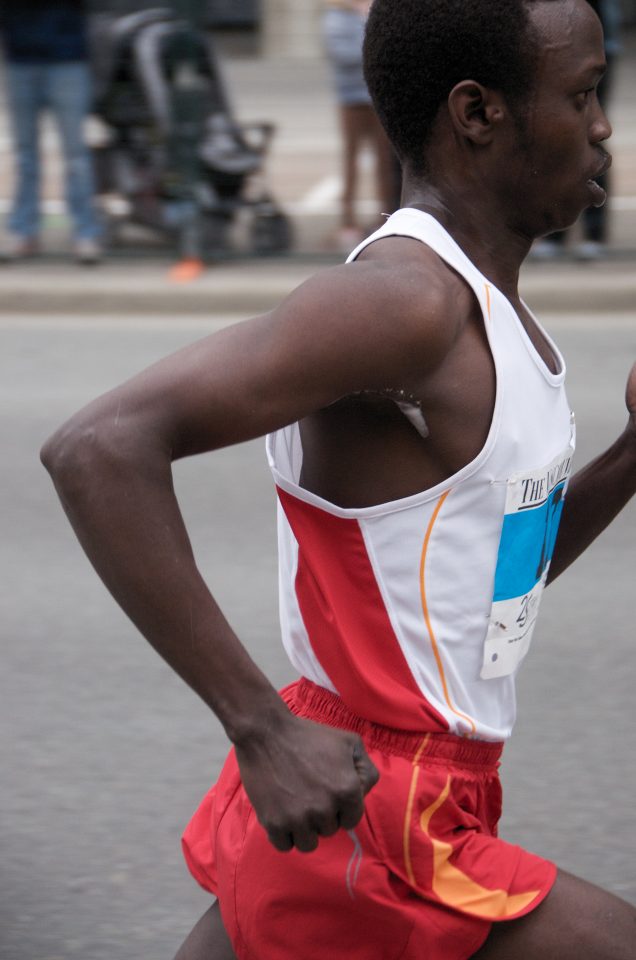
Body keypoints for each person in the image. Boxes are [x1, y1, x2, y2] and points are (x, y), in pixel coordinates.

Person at [41, 1, 636, 958]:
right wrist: (260, 728)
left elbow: (491, 580)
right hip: (373, 811)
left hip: (404, 792)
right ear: (478, 113)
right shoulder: (404, 306)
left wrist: (630, 455)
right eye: (582, 93)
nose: (602, 124)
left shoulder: (486, 310)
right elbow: (99, 447)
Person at [0, 0, 102, 264]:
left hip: (68, 58)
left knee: (76, 154)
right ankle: (24, 230)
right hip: (20, 57)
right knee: (25, 153)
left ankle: (85, 233)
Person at [531, 0, 621, 260]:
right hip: (554, 46)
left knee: (590, 135)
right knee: (554, 134)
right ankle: (554, 230)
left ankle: (593, 231)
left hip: (596, 45)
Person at [322, 0, 400, 252]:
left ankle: (385, 214)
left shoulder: (370, 12)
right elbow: (343, 54)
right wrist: (372, 47)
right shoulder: (336, 18)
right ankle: (348, 219)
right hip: (351, 98)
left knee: (384, 159)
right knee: (351, 158)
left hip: (375, 96)